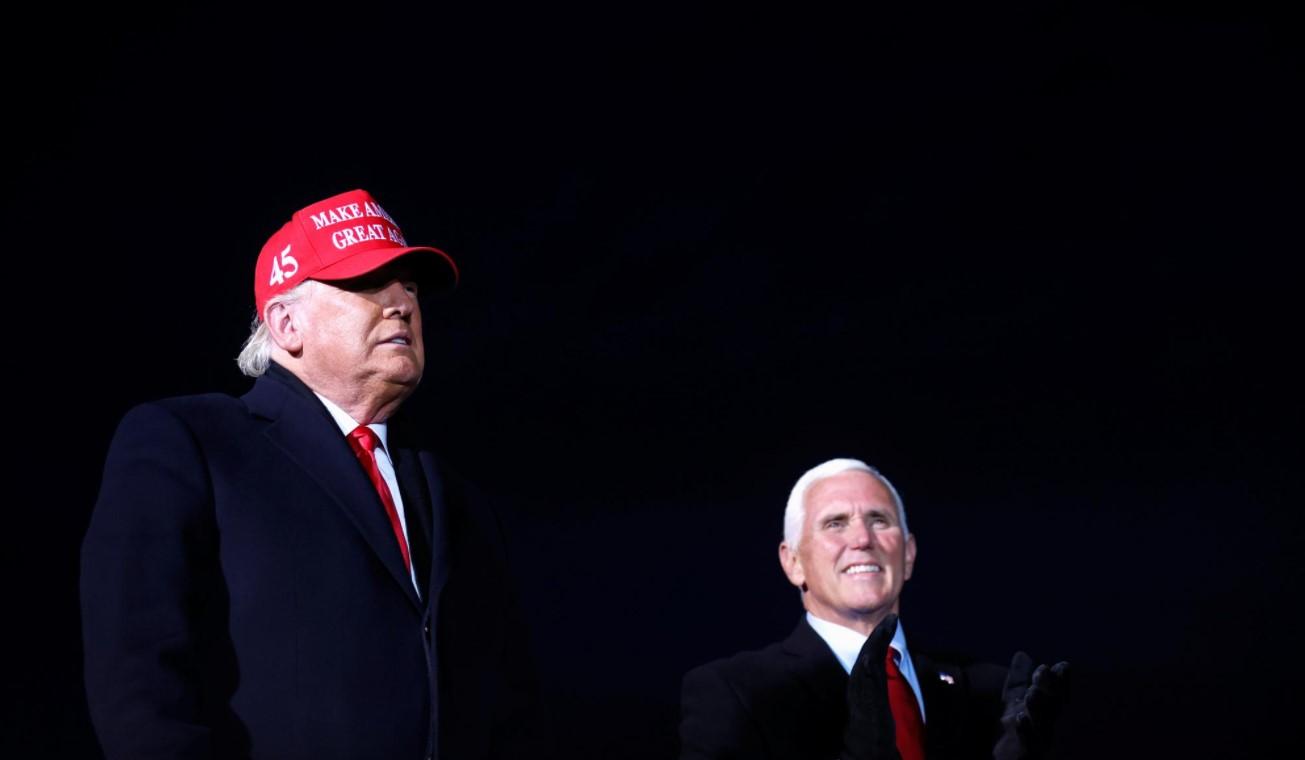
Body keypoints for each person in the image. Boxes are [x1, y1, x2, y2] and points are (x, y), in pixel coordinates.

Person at [81, 189, 542, 760]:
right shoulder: (190, 441)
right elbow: (138, 674)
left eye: (411, 289)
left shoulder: (455, 496)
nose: (401, 304)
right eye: (367, 284)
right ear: (286, 323)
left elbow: (508, 696)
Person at [679, 458, 1067, 760]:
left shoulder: (990, 694)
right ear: (793, 562)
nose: (863, 539)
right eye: (835, 523)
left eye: (878, 520)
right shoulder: (738, 694)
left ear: (909, 554)